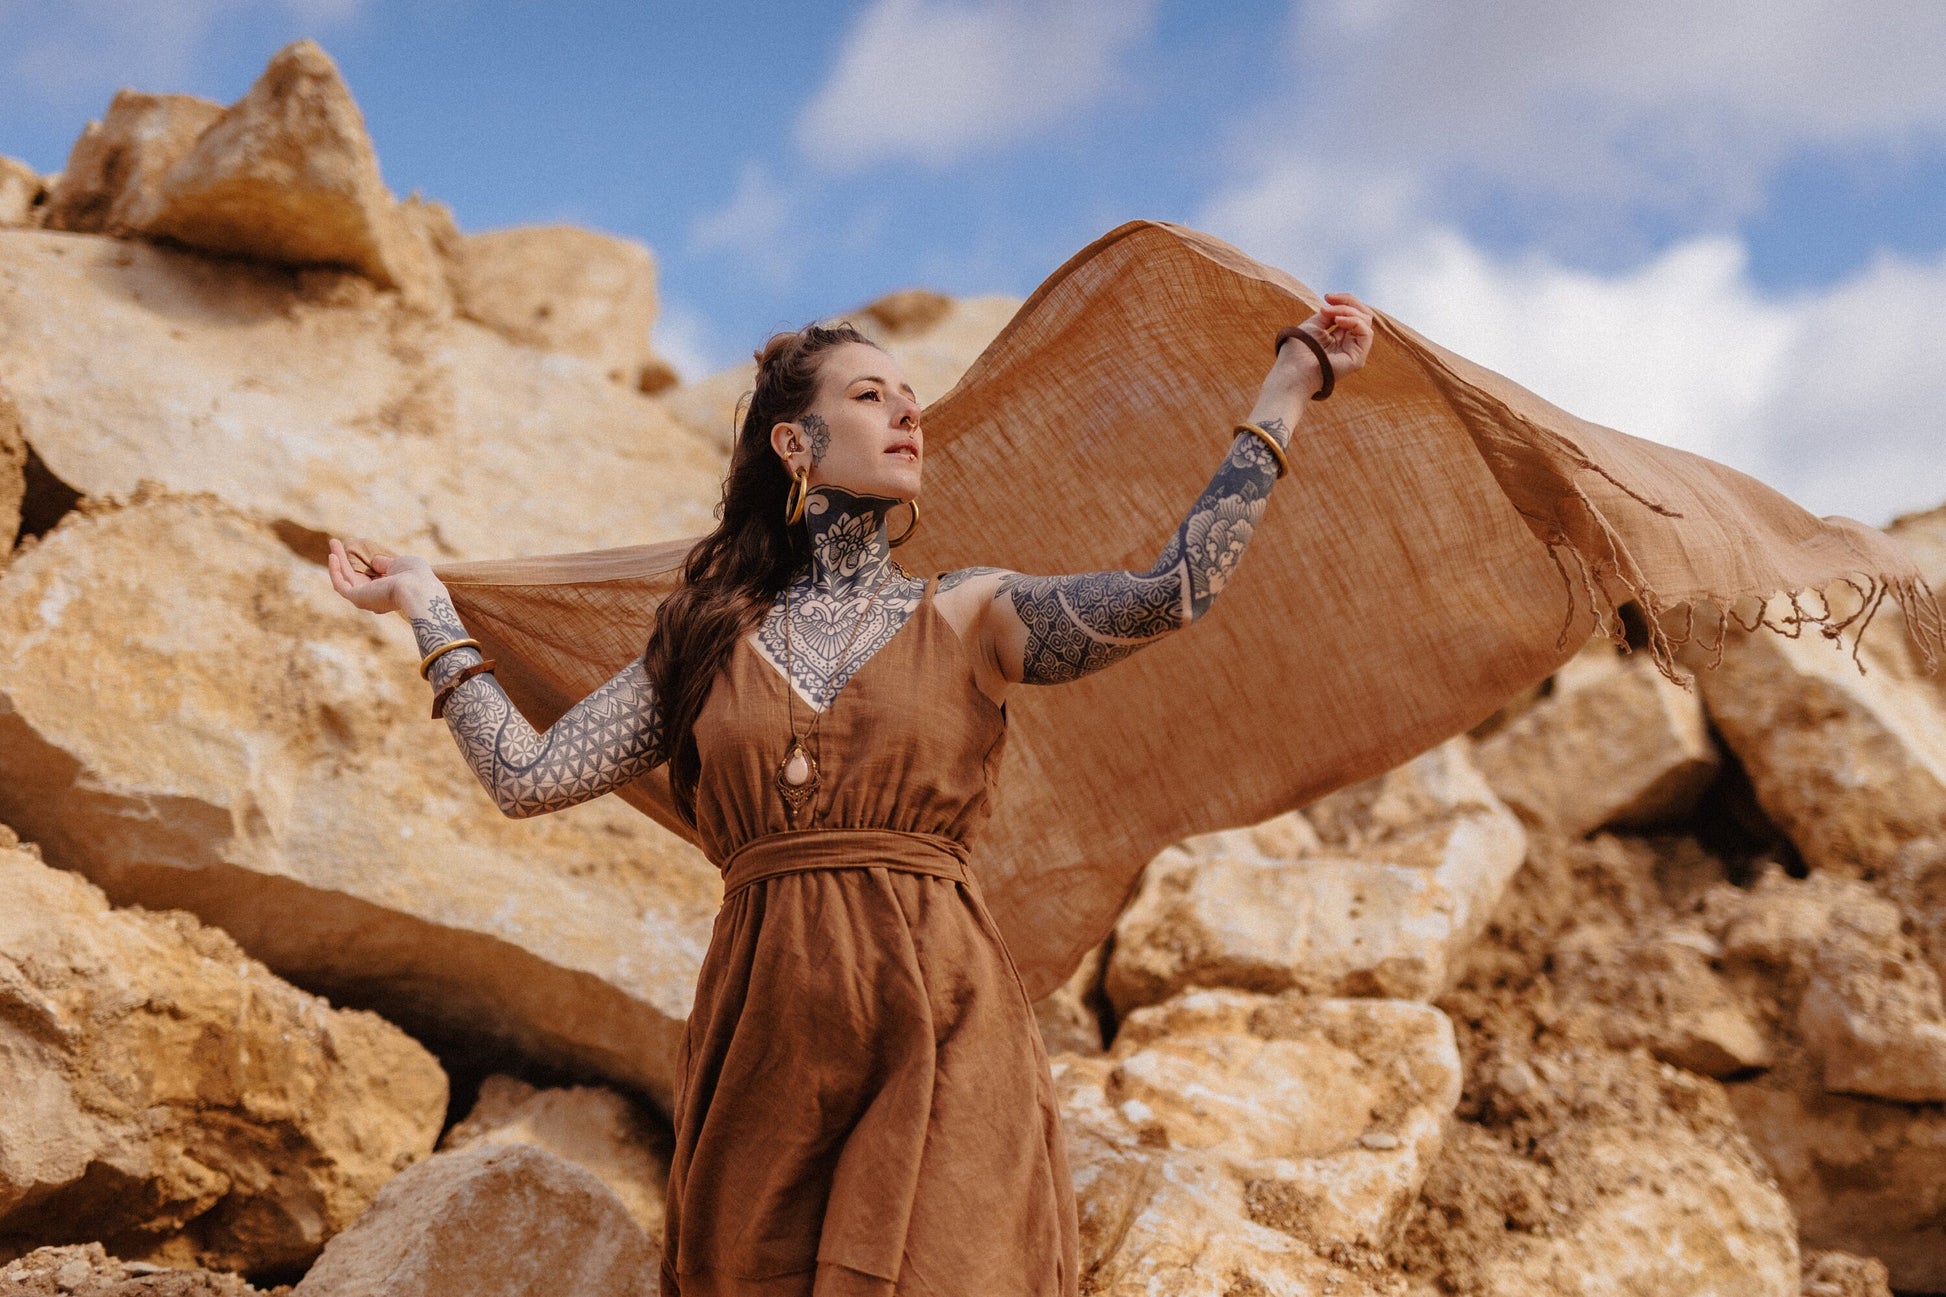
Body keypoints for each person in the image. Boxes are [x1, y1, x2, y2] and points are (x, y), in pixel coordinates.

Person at [326, 292, 1376, 1296]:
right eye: (870, 395)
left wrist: (1291, 379)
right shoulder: (699, 643)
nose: (908, 409)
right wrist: (427, 606)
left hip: (940, 1018)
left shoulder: (972, 613)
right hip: (761, 1042)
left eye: (908, 394)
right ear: (795, 444)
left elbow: (1170, 593)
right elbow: (523, 776)